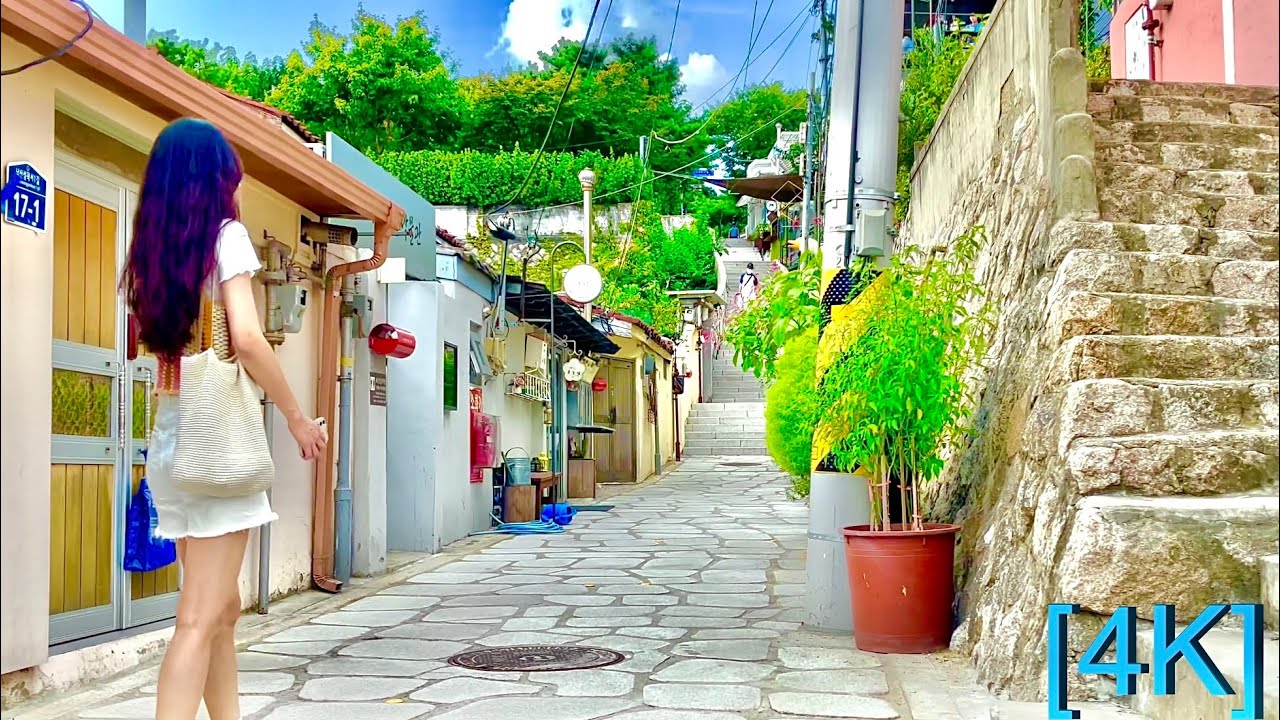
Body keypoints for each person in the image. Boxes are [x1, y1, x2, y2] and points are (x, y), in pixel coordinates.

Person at [120, 118, 328, 720]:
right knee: (197, 617)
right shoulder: (227, 237)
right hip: (216, 449)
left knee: (221, 610)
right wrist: (295, 418)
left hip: (173, 450)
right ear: (216, 181)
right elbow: (248, 339)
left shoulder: (150, 255)